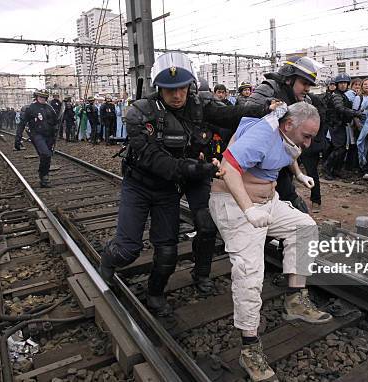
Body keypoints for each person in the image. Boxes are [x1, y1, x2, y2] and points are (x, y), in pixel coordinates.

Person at [99, 52, 275, 316]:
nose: (177, 95)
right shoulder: (140, 114)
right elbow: (155, 161)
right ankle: (107, 260)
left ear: (189, 86)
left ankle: (155, 294)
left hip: (168, 191)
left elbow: (232, 114)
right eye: (170, 89)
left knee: (167, 251)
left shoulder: (198, 105)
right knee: (127, 249)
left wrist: (265, 109)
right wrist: (198, 168)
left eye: (181, 88)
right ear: (159, 88)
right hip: (139, 186)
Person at [209, 102, 332, 381]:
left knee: (305, 227)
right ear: (289, 125)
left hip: (267, 201)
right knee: (250, 273)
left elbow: (289, 149)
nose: (309, 143)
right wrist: (248, 210)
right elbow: (228, 168)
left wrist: (298, 174)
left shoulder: (286, 128)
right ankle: (249, 348)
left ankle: (295, 299)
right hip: (235, 202)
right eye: (307, 136)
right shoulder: (262, 134)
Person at [243, 56, 322, 213]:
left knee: (295, 209)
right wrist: (269, 108)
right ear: (289, 79)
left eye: (309, 85)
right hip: (257, 169)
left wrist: (299, 174)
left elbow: (289, 144)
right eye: (304, 83)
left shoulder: (304, 101)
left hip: (283, 167)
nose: (307, 89)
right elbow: (248, 117)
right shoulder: (268, 90)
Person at [322, 73, 363, 181]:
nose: (343, 85)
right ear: (337, 84)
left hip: (341, 125)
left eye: (345, 83)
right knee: (339, 149)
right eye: (340, 83)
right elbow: (340, 108)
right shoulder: (337, 95)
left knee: (343, 149)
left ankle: (336, 170)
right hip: (336, 125)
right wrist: (355, 113)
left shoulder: (343, 95)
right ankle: (327, 169)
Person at [18, 89, 59, 187]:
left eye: (44, 97)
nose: (42, 99)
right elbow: (22, 124)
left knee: (46, 156)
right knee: (45, 154)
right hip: (37, 134)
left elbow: (55, 121)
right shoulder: (30, 108)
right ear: (36, 97)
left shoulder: (49, 108)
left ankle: (44, 175)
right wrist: (18, 138)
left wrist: (55, 131)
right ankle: (44, 175)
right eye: (40, 97)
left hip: (49, 135)